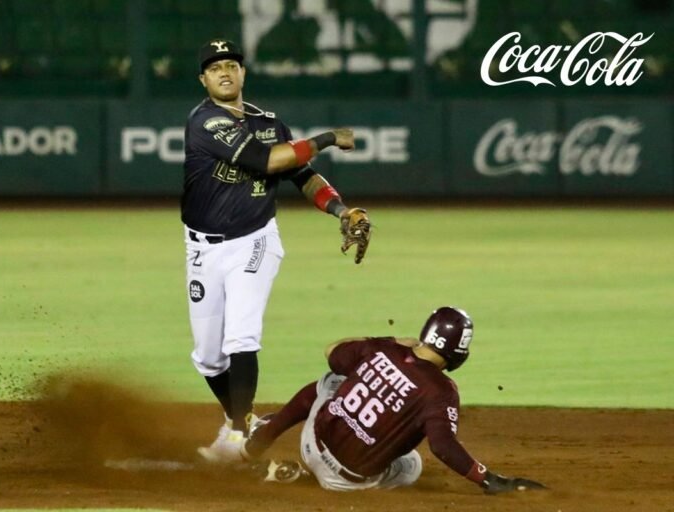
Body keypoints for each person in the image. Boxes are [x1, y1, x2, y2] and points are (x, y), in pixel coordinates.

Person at [183, 38, 369, 463]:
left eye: (231, 64)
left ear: (243, 73)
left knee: (240, 338)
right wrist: (326, 137)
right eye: (214, 68)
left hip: (254, 241)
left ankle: (235, 437)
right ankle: (243, 419)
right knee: (209, 359)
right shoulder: (204, 122)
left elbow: (301, 174)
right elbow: (266, 161)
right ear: (204, 79)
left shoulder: (269, 122)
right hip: (201, 249)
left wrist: (340, 210)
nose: (224, 72)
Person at [242, 307, 546, 494]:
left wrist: (390, 342)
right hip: (346, 483)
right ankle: (309, 479)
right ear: (460, 352)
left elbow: (332, 351)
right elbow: (441, 446)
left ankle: (264, 436)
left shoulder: (384, 350)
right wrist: (487, 479)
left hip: (311, 444)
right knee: (411, 463)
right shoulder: (442, 391)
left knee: (332, 381)